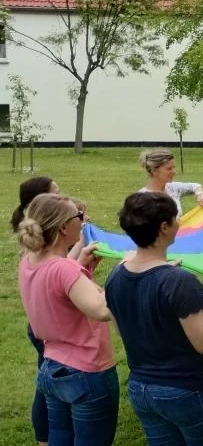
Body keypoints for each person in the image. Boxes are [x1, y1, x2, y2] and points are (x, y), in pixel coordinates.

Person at [105, 191, 203, 446]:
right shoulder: (178, 283)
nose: (180, 223)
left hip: (143, 390)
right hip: (189, 390)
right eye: (176, 218)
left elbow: (126, 330)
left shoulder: (116, 276)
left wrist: (165, 276)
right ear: (164, 227)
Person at [17, 193, 118, 446]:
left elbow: (59, 291)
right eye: (79, 217)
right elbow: (102, 310)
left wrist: (83, 268)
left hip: (53, 368)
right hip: (87, 372)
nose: (83, 222)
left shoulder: (29, 261)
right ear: (64, 227)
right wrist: (127, 272)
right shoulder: (64, 270)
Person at [11, 176, 60, 446]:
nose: (62, 196)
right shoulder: (43, 251)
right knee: (46, 387)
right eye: (57, 194)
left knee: (48, 383)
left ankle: (51, 436)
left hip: (42, 324)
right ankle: (44, 439)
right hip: (48, 328)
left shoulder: (38, 247)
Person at [139, 149, 203, 216]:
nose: (174, 172)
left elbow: (195, 186)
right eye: (169, 168)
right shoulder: (141, 199)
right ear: (154, 170)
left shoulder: (172, 188)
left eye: (174, 167)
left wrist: (200, 195)